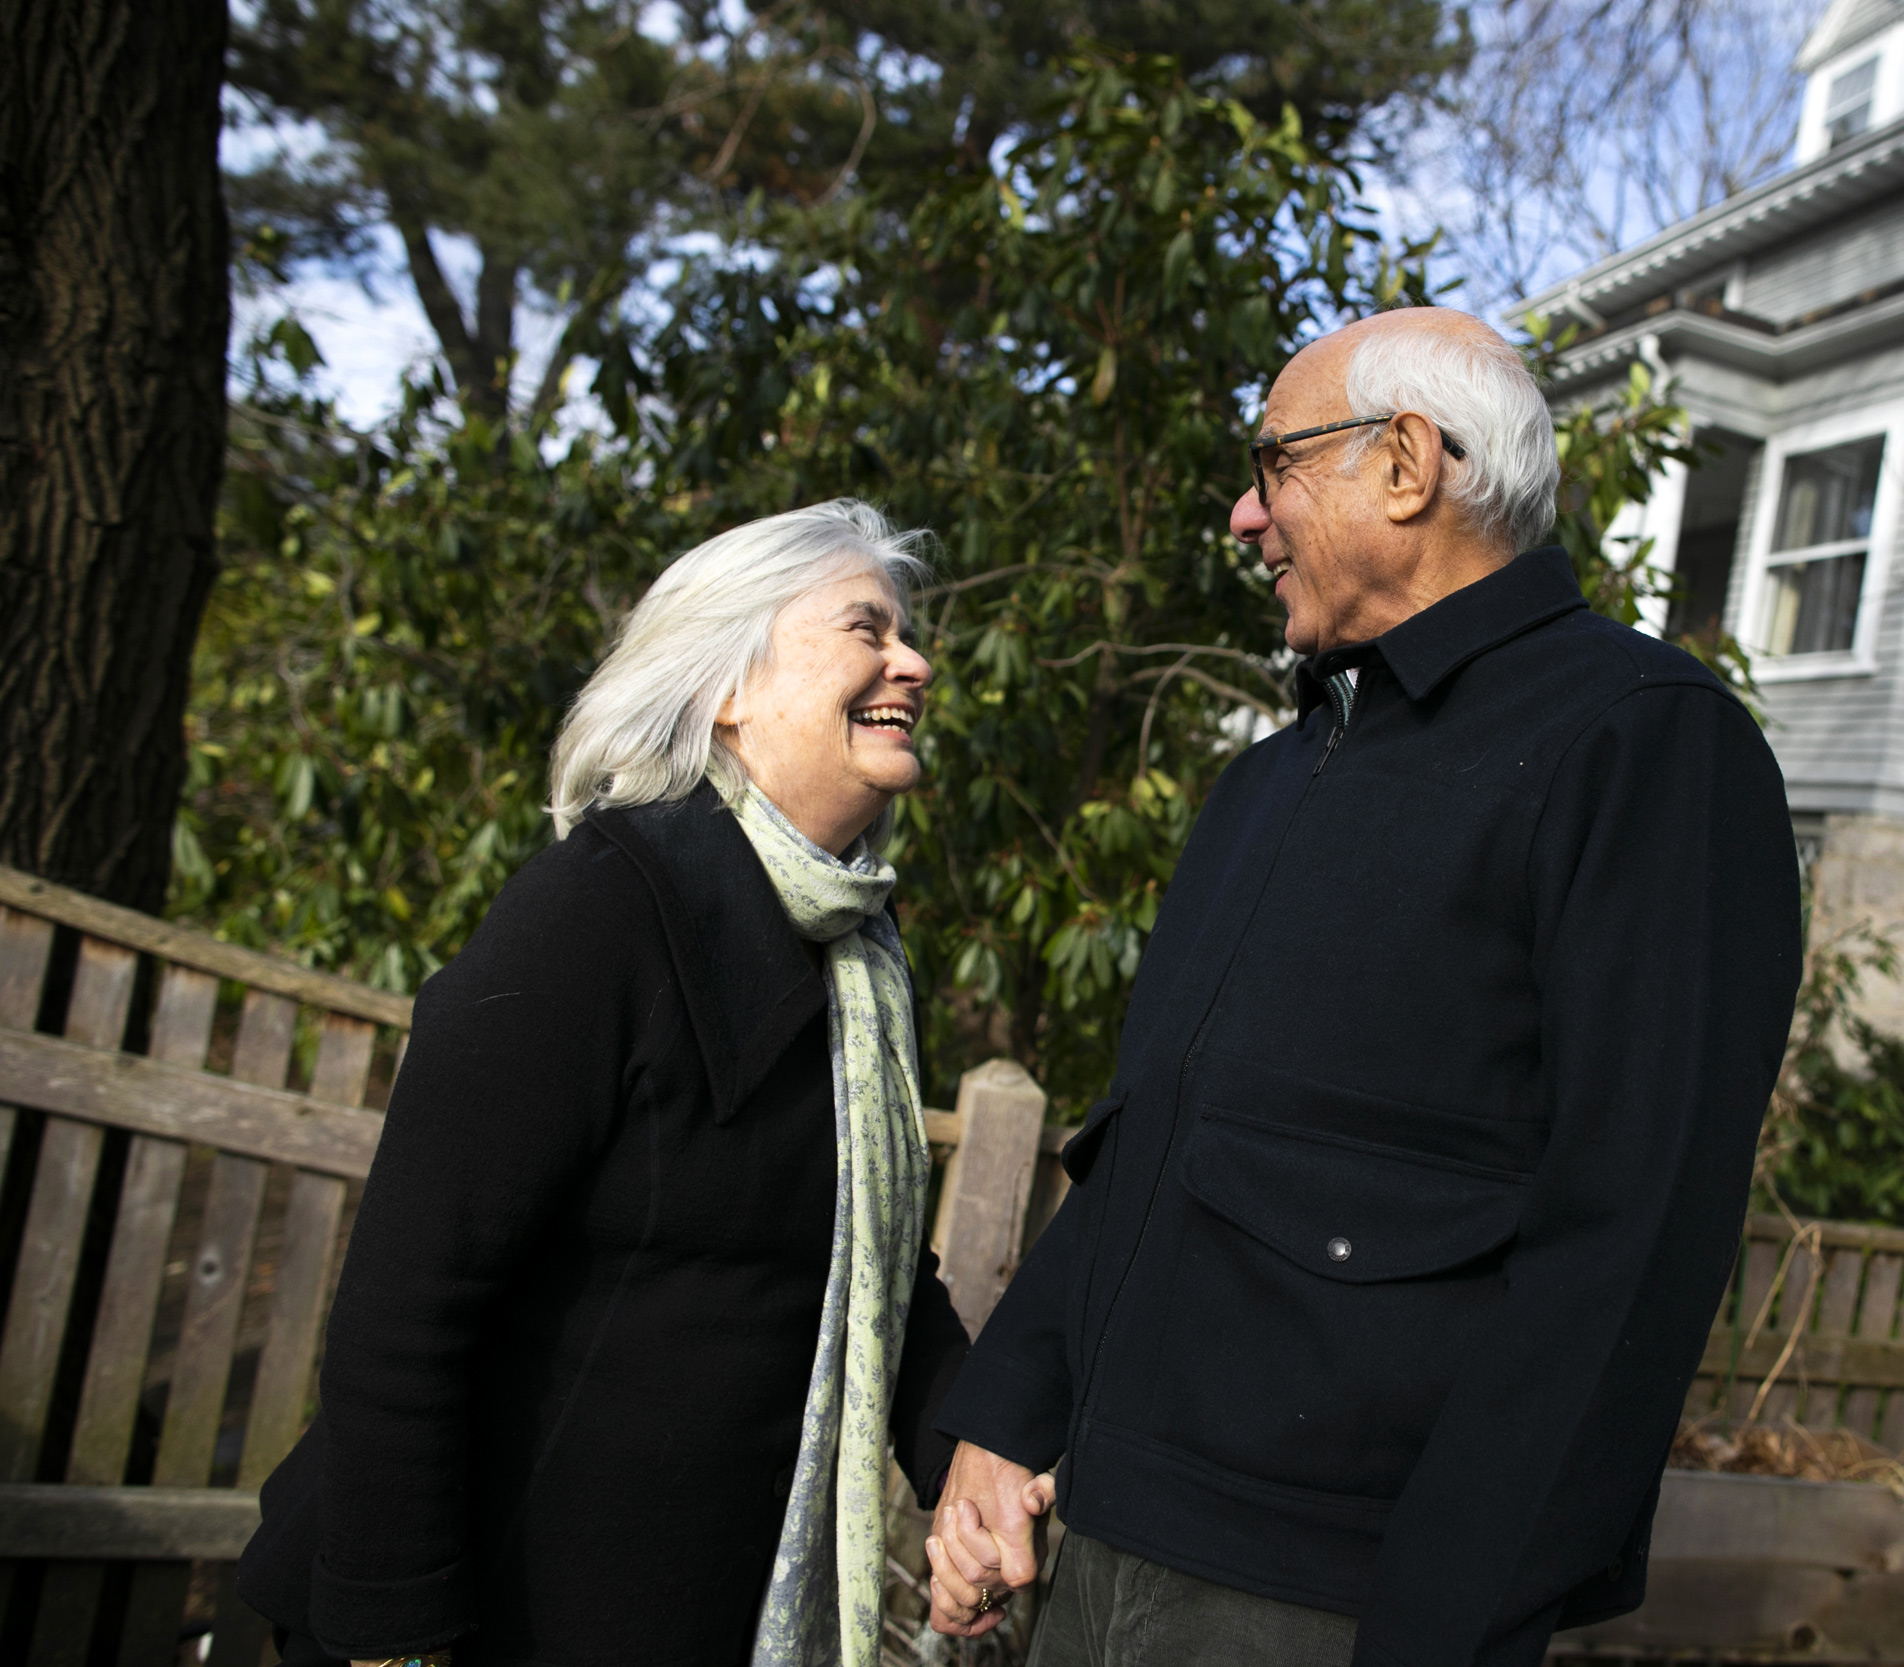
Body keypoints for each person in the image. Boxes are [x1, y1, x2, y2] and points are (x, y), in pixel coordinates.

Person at [921, 309, 1804, 1667]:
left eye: (1274, 463)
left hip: (1325, 1596)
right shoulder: (1272, 775)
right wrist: (1003, 1416)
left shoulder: (1642, 743)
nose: (1242, 513)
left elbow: (1631, 1234)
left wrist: (1449, 1617)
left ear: (1405, 464)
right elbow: (1149, 1133)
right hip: (1092, 1541)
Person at [237, 501, 974, 1667]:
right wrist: (397, 1634)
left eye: (905, 634)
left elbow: (876, 1263)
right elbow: (407, 1303)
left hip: (681, 1609)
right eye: (866, 629)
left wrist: (965, 1460)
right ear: (728, 685)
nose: (913, 662)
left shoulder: (858, 958)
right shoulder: (595, 910)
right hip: (483, 1612)